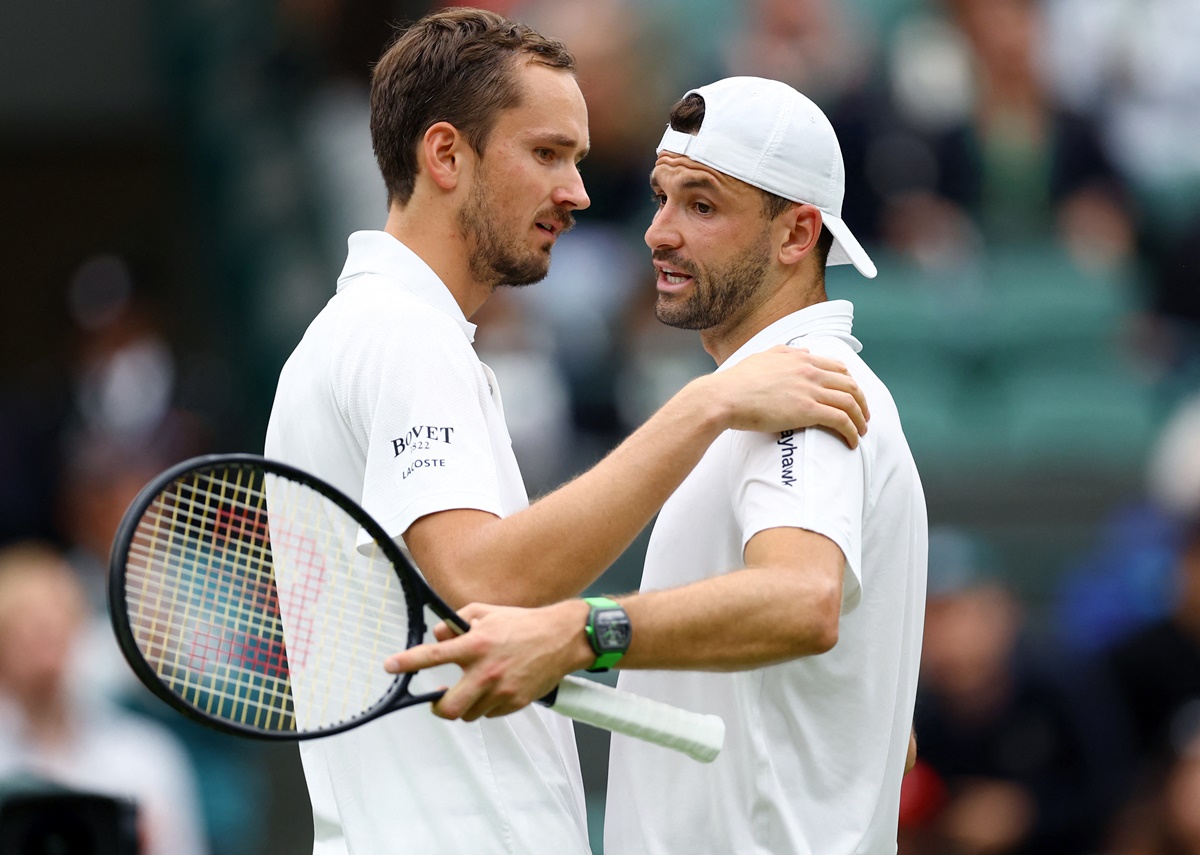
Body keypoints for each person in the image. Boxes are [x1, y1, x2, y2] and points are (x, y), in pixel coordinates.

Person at [264, 10, 871, 855]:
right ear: (446, 155)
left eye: (578, 160)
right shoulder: (398, 335)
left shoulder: (379, 334)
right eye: (546, 153)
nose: (577, 193)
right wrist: (707, 405)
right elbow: (486, 579)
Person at [385, 75, 928, 853]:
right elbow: (880, 727)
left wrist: (582, 630)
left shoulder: (808, 388)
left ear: (797, 235)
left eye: (701, 205)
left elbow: (803, 598)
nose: (659, 233)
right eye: (661, 198)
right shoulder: (765, 392)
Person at [0, 542, 208, 855]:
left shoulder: (149, 757)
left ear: (77, 629)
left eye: (51, 626)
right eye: (22, 628)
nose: (41, 645)